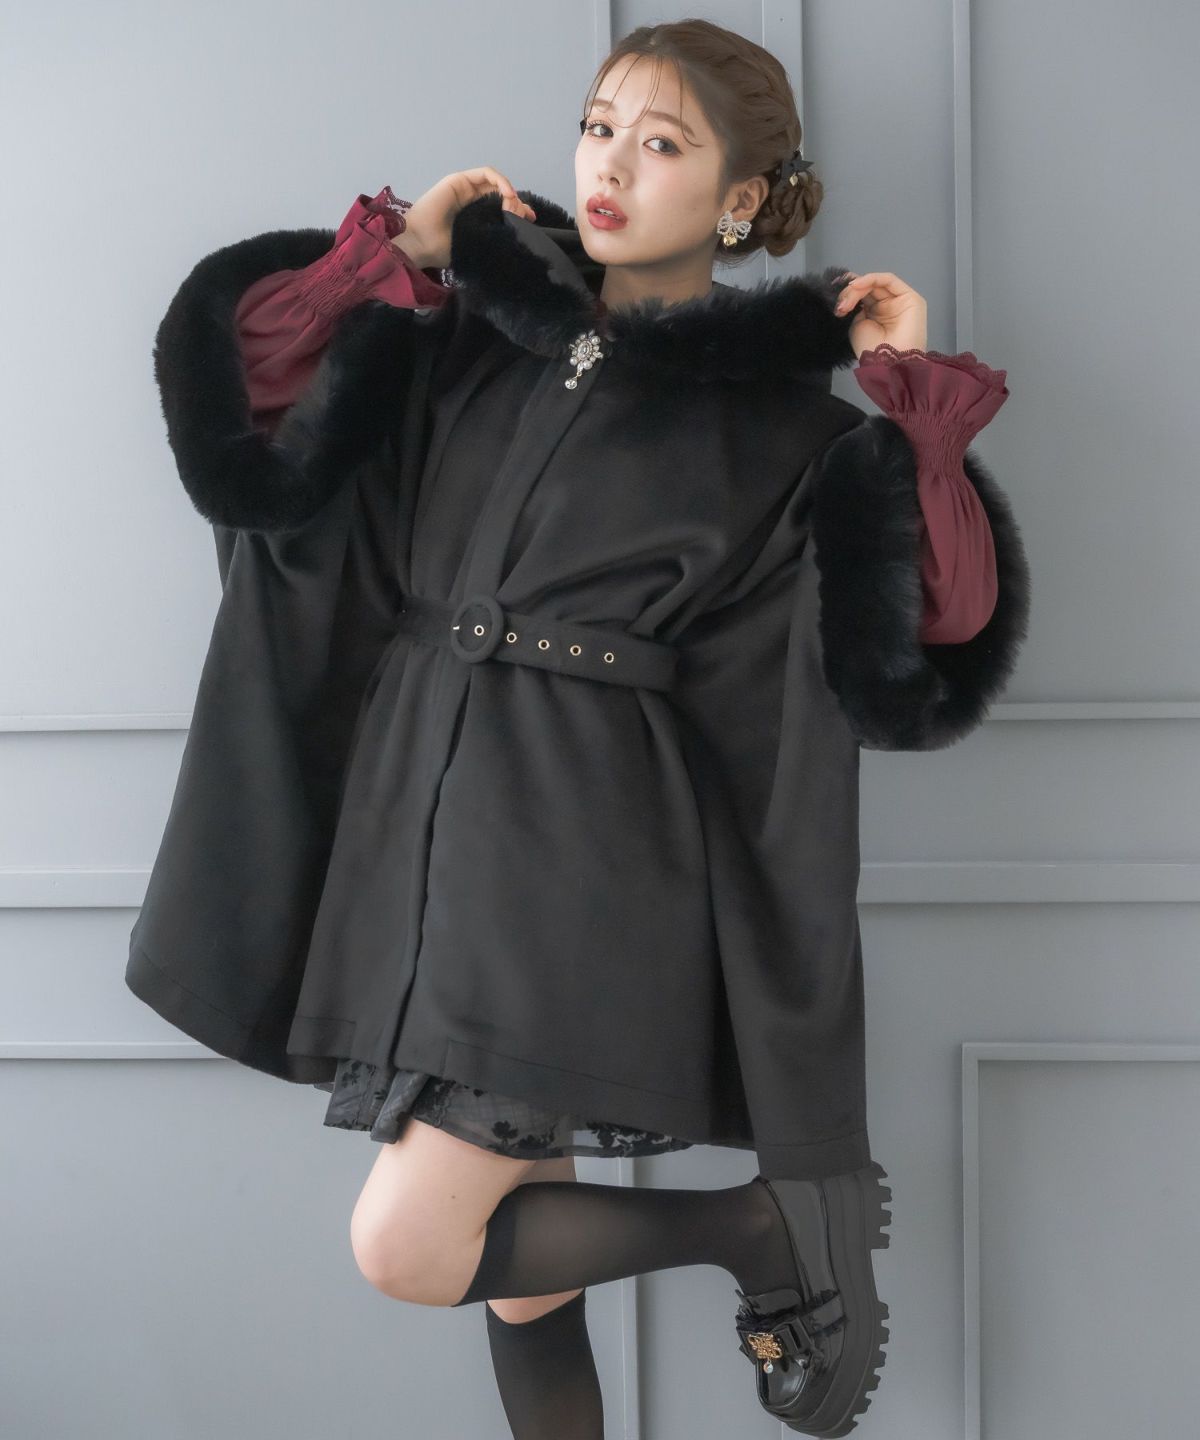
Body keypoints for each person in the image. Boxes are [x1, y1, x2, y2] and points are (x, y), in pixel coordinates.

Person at [127, 17, 1030, 1437]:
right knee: (524, 1289)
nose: (609, 166)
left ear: (739, 198)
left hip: (579, 850)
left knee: (408, 1245)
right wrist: (398, 255)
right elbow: (253, 408)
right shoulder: (465, 344)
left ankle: (770, 1230)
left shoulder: (785, 430)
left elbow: (927, 634)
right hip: (421, 821)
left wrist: (910, 403)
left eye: (661, 144)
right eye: (600, 126)